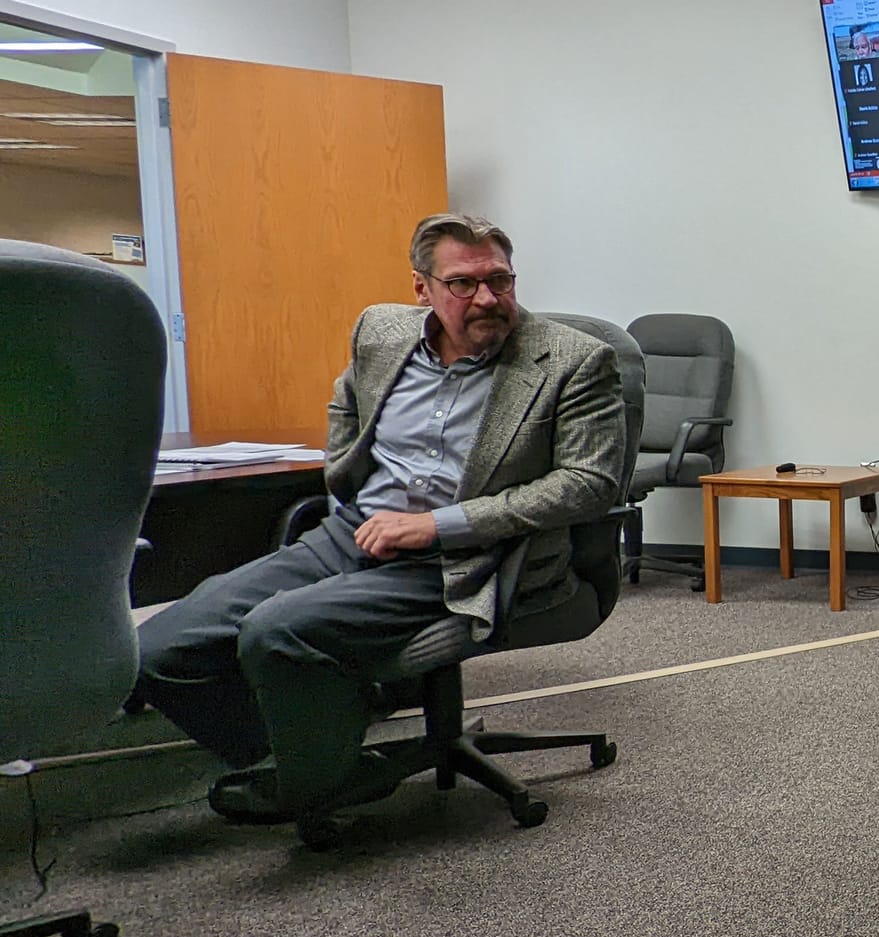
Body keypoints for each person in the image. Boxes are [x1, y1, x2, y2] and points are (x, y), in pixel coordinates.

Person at [132, 213, 626, 821]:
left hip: (465, 558)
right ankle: (316, 755)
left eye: (500, 280)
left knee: (277, 629)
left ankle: (312, 778)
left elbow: (588, 486)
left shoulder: (574, 362)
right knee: (158, 650)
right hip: (351, 534)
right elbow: (346, 403)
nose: (488, 299)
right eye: (463, 284)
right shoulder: (380, 330)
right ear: (423, 288)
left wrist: (437, 525)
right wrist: (349, 486)